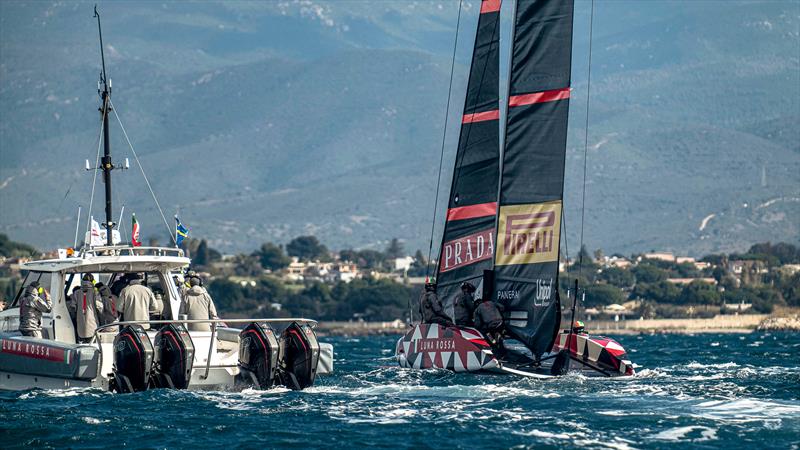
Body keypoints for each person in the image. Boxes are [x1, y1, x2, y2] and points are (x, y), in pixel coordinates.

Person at [70, 274, 104, 343]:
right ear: (92, 281)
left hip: (80, 326)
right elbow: (100, 307)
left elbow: (73, 307)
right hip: (93, 324)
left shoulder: (76, 293)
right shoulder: (95, 292)